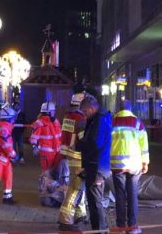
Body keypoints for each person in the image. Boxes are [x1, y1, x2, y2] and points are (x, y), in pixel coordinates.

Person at [110, 101, 149, 233]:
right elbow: (144, 145)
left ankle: (120, 226)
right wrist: (145, 162)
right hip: (134, 165)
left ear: (118, 109)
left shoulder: (112, 122)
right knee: (132, 195)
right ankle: (132, 227)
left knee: (119, 196)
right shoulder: (138, 123)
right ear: (130, 109)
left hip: (116, 166)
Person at [77, 94, 112, 232]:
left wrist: (80, 144)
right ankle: (97, 228)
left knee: (95, 200)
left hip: (97, 166)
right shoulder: (99, 119)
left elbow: (95, 142)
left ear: (91, 108)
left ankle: (100, 230)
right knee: (93, 200)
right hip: (96, 164)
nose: (84, 115)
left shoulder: (99, 120)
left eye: (85, 112)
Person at [58, 93, 89, 230]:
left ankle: (79, 214)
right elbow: (83, 140)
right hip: (78, 156)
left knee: (78, 186)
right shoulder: (81, 119)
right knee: (76, 188)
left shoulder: (68, 116)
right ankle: (65, 219)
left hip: (70, 155)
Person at [30, 102, 62, 173]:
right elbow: (34, 137)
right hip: (46, 154)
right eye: (53, 111)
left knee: (56, 174)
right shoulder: (39, 123)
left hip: (57, 152)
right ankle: (45, 184)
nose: (54, 112)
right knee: (47, 173)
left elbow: (60, 136)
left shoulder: (56, 122)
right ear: (49, 112)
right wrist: (34, 146)